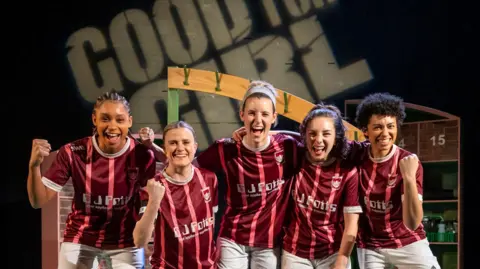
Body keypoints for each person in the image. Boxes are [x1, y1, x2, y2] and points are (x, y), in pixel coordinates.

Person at [140, 80, 301, 269]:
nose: (258, 120)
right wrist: (152, 147)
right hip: (233, 239)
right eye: (251, 113)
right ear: (242, 114)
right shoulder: (226, 148)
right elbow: (183, 162)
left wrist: (270, 133)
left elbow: (320, 145)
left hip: (268, 243)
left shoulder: (288, 147)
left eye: (265, 114)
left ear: (274, 117)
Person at [27, 90, 156, 269]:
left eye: (119, 120)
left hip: (125, 243)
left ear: (129, 122)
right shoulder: (72, 152)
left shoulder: (142, 155)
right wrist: (34, 167)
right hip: (80, 239)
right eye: (105, 119)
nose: (112, 126)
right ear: (94, 119)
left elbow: (147, 201)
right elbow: (37, 201)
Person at [350, 93, 441, 269]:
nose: (385, 133)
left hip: (407, 240)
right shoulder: (356, 155)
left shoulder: (409, 162)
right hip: (371, 245)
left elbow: (413, 222)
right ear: (365, 130)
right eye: (377, 127)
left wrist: (408, 178)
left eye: (390, 126)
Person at [281, 104, 362, 269]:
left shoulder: (348, 172)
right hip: (295, 253)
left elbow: (351, 224)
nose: (318, 140)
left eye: (326, 134)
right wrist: (245, 134)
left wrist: (342, 258)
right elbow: (272, 139)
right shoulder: (296, 157)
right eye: (312, 134)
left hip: (333, 253)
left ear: (336, 137)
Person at [133, 121, 218, 269]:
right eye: (173, 143)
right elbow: (139, 241)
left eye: (186, 142)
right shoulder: (153, 187)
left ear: (195, 147)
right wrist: (154, 202)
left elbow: (211, 225)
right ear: (165, 149)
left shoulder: (209, 178)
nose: (180, 148)